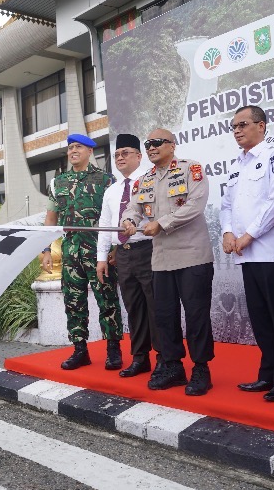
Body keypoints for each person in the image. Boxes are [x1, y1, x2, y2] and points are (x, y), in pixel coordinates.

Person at [121, 128, 215, 396]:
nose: (151, 147)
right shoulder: (144, 180)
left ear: (172, 145)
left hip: (192, 256)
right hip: (161, 260)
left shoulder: (191, 169)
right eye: (147, 143)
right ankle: (173, 367)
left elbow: (195, 205)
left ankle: (201, 369)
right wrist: (129, 221)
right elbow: (133, 208)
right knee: (164, 317)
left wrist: (161, 223)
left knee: (196, 315)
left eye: (156, 142)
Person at [221, 105, 274, 402]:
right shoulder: (236, 164)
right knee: (260, 319)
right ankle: (268, 375)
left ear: (262, 126)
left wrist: (248, 235)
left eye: (243, 124)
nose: (237, 131)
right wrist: (228, 232)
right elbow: (227, 205)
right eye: (234, 127)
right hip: (248, 255)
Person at [41, 133, 123, 370]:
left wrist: (116, 247)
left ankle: (113, 349)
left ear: (90, 151)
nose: (73, 151)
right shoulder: (58, 183)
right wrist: (46, 249)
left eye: (78, 147)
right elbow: (51, 218)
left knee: (107, 299)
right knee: (73, 302)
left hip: (99, 252)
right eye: (70, 148)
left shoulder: (106, 180)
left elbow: (117, 215)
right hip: (70, 252)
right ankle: (80, 350)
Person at [97, 134, 158, 377]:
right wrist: (102, 257)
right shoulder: (111, 190)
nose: (120, 158)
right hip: (122, 254)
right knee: (134, 309)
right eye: (117, 154)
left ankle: (165, 359)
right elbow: (104, 224)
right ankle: (140, 358)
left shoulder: (150, 181)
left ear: (139, 156)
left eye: (125, 153)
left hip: (148, 250)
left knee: (156, 308)